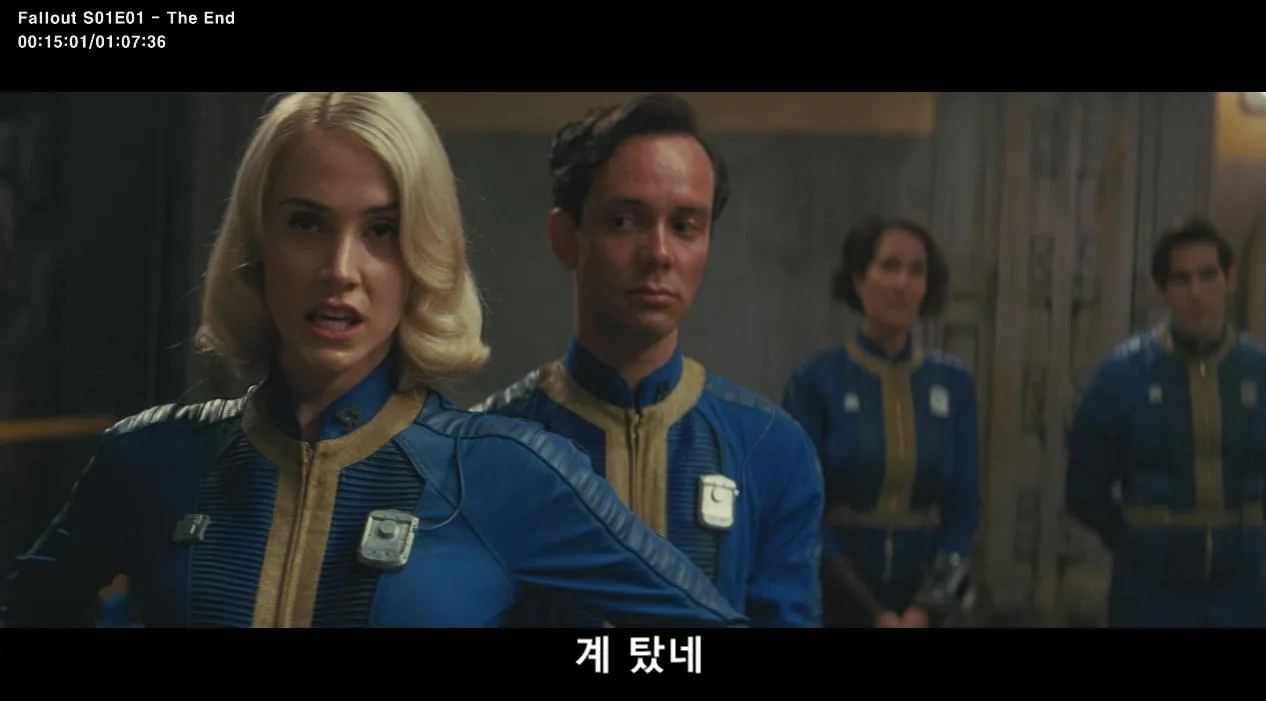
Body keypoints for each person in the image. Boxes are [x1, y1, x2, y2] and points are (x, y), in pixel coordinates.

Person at [0, 92, 748, 628]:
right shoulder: (150, 458)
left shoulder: (506, 473)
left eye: (382, 230)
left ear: (424, 253)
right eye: (306, 224)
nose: (340, 270)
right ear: (257, 246)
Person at [475, 94, 824, 627]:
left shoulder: (771, 450)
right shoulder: (486, 448)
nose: (659, 252)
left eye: (685, 226)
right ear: (566, 238)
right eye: (624, 221)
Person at [1067, 217, 1266, 627]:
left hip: (1241, 587)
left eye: (1208, 275)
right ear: (1162, 290)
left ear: (1230, 279)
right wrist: (1136, 541)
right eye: (1181, 279)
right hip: (1150, 591)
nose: (1195, 292)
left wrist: (1241, 529)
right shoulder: (1122, 374)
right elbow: (1083, 486)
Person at [782, 215, 981, 628]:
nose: (902, 284)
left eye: (916, 271)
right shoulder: (817, 379)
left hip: (923, 596)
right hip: (837, 593)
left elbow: (963, 510)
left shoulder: (953, 383)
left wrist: (926, 608)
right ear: (859, 278)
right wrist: (873, 614)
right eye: (890, 266)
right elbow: (801, 509)